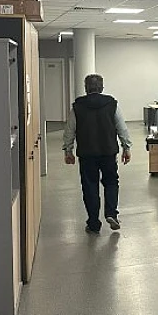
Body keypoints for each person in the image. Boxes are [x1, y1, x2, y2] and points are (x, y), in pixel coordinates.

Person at [62, 74, 132, 234]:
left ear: (86, 88)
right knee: (111, 182)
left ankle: (93, 223)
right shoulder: (112, 104)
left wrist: (68, 150)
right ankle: (111, 213)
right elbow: (121, 127)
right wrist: (126, 147)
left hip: (86, 154)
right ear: (101, 87)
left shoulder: (77, 106)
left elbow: (69, 130)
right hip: (108, 152)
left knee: (89, 186)